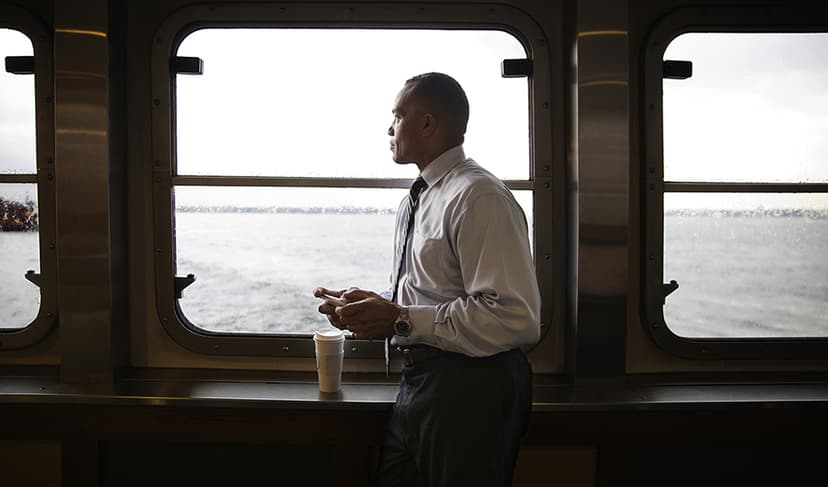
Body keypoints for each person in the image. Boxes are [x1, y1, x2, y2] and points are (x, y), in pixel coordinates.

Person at [314, 72, 540, 487]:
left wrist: (399, 318)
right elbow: (425, 293)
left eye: (398, 116)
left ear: (428, 124)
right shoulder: (419, 198)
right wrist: (369, 307)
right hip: (420, 381)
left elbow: (514, 317)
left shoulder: (478, 197)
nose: (389, 127)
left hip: (472, 389)